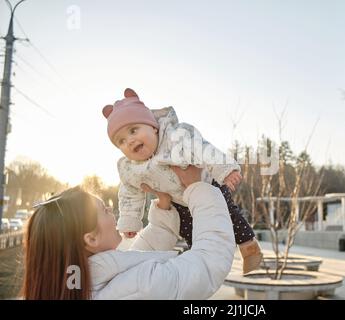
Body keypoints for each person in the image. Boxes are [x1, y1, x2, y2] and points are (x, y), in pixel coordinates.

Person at [101, 88, 262, 274]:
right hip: (179, 201)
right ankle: (199, 257)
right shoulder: (131, 168)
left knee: (227, 213)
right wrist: (130, 221)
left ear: (153, 126)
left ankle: (249, 246)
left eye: (133, 130)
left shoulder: (175, 139)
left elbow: (203, 150)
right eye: (121, 141)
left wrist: (224, 169)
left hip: (206, 184)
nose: (129, 141)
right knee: (188, 229)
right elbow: (130, 193)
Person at [22, 165, 235, 299]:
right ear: (91, 238)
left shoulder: (76, 283)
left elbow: (134, 262)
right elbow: (208, 263)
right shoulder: (140, 287)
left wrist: (162, 210)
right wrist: (198, 188)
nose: (112, 213)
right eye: (105, 210)